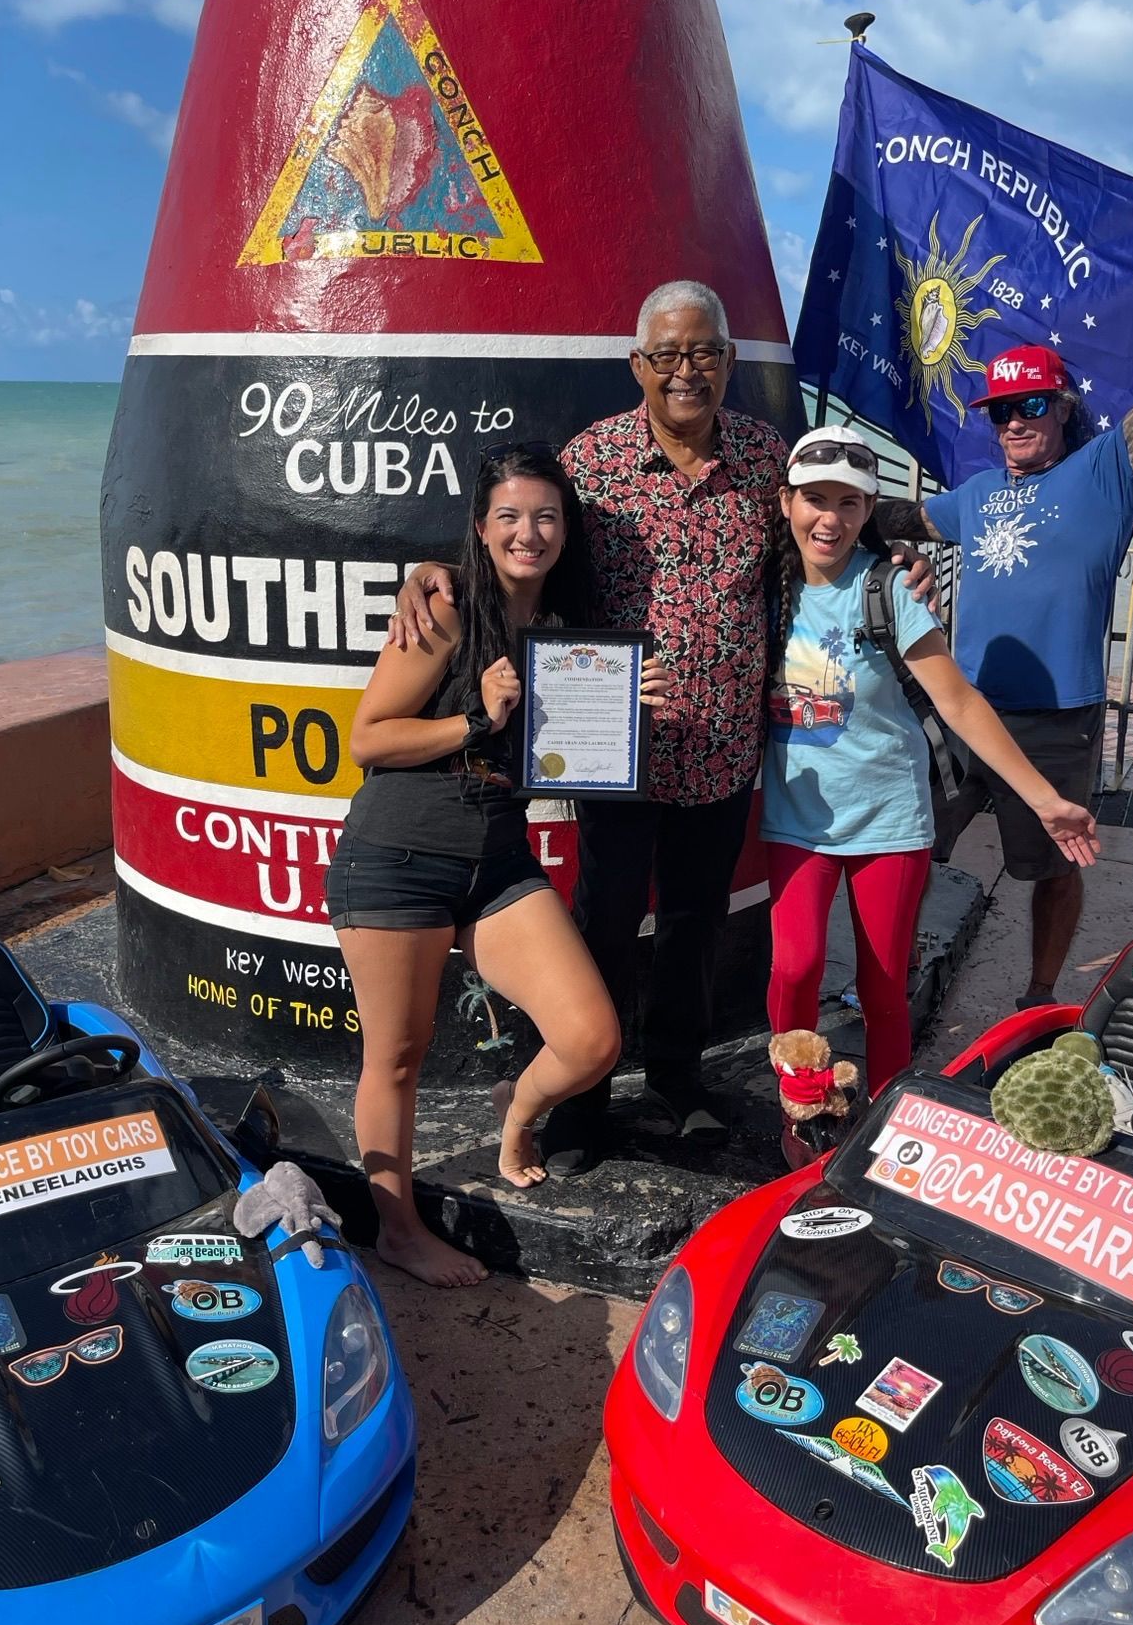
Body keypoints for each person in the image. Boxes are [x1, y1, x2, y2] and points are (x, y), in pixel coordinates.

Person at [392, 281, 935, 1174]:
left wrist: (903, 549)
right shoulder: (594, 463)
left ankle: (679, 1082)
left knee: (694, 923)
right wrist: (424, 568)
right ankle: (580, 1102)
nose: (689, 372)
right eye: (670, 356)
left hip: (723, 753)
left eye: (707, 353)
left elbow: (833, 525)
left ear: (729, 361)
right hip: (616, 756)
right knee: (603, 923)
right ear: (639, 365)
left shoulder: (766, 461)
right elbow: (519, 542)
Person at [874, 198, 1133, 1007]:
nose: (1014, 423)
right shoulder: (973, 495)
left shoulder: (1105, 471)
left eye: (1030, 405)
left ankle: (1037, 993)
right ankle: (883, 979)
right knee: (910, 846)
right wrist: (831, 516)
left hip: (1057, 719)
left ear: (1064, 408)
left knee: (1052, 865)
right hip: (964, 711)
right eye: (1001, 411)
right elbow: (886, 520)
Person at [328, 445, 665, 1287]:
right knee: (397, 1057)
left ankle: (516, 1112)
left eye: (546, 516)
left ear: (566, 530)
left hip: (497, 860)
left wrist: (628, 709)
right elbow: (366, 738)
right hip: (397, 856)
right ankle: (398, 1230)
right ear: (480, 529)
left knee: (592, 1037)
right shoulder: (444, 610)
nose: (529, 533)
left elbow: (572, 753)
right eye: (509, 517)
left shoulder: (564, 630)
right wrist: (477, 720)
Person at [766, 427, 1100, 1090]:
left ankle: (885, 1114)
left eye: (848, 503)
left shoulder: (889, 591)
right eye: (814, 499)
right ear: (785, 502)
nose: (828, 519)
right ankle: (800, 1103)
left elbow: (961, 703)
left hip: (889, 820)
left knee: (885, 985)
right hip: (796, 820)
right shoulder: (765, 593)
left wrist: (1044, 798)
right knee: (795, 967)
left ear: (867, 511)